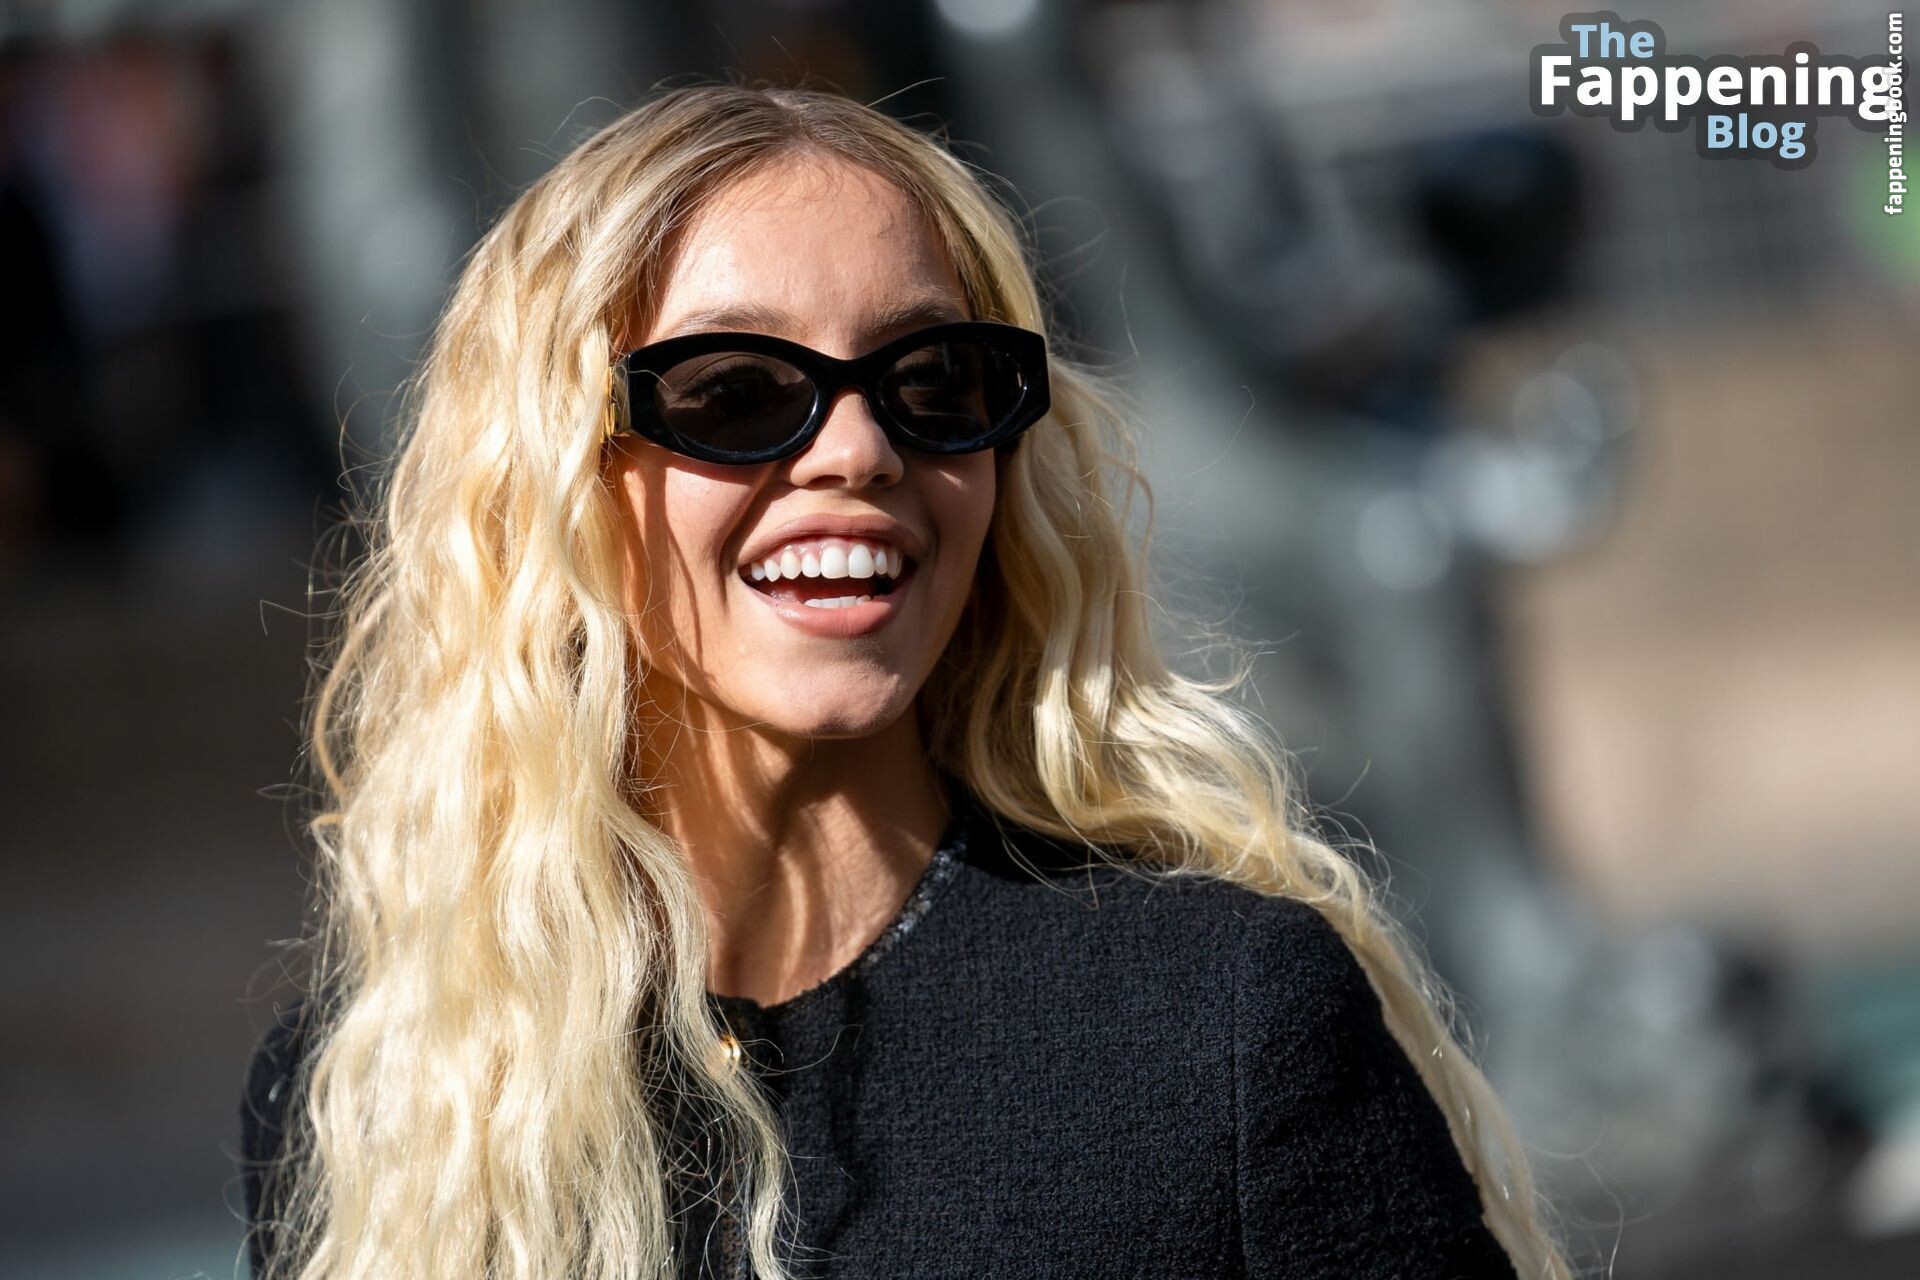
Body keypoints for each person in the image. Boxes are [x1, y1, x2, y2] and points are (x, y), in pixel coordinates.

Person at [236, 83, 1572, 1279]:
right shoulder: (375, 1094)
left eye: (934, 381)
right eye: (737, 390)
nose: (860, 450)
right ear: (553, 478)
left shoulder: (1218, 1023)